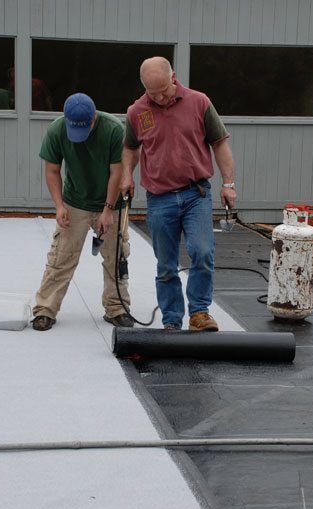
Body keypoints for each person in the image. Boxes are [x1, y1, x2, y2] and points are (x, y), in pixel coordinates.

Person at [121, 57, 237, 332]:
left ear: (173, 78)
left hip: (196, 193)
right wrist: (127, 174)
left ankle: (199, 313)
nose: (160, 97)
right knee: (166, 264)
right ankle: (172, 319)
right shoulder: (137, 112)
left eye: (164, 89)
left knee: (202, 251)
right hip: (160, 198)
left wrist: (228, 184)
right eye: (153, 93)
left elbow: (219, 143)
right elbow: (130, 147)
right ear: (143, 87)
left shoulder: (199, 102)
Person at [32, 92, 134, 331]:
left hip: (111, 203)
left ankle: (117, 308)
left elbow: (116, 172)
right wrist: (59, 205)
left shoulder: (113, 129)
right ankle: (45, 309)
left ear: (93, 118)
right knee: (61, 257)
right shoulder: (57, 130)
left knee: (116, 257)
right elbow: (52, 170)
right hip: (74, 201)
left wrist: (108, 210)